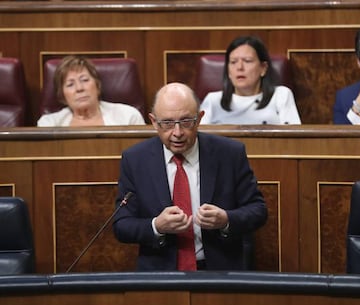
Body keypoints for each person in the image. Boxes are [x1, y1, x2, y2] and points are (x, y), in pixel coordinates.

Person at [113, 82, 267, 271]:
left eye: (186, 122)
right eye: (168, 123)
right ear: (154, 122)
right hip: (160, 275)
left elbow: (258, 210)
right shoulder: (136, 160)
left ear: (199, 118)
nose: (177, 133)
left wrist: (226, 219)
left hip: (220, 273)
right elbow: (121, 225)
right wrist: (156, 226)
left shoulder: (229, 154)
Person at [200, 35, 301, 125]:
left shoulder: (281, 95)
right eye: (233, 62)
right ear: (228, 71)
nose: (239, 67)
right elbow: (199, 138)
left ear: (263, 68)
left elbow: (293, 139)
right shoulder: (213, 100)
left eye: (247, 61)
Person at [37, 55, 145, 126]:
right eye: (70, 84)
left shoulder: (128, 117)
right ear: (62, 95)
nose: (79, 88)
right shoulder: (49, 124)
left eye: (84, 80)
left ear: (97, 85)